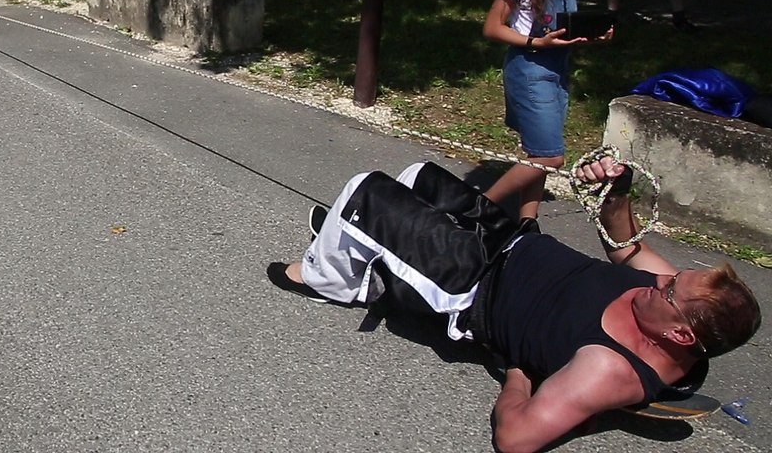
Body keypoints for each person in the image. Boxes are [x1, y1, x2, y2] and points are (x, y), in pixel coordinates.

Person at [266, 157, 761, 453]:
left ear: (678, 335)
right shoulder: (674, 309)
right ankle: (371, 254)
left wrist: (521, 374)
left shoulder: (607, 370)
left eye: (669, 290)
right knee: (419, 176)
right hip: (510, 241)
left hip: (471, 285)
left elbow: (517, 439)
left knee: (364, 192)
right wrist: (617, 191)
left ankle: (325, 277)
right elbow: (624, 247)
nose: (660, 280)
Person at [482, 0, 611, 221]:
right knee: (551, 157)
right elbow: (493, 28)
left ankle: (528, 221)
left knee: (535, 152)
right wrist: (535, 43)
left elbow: (564, 29)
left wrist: (591, 36)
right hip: (529, 68)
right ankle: (479, 206)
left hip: (558, 69)